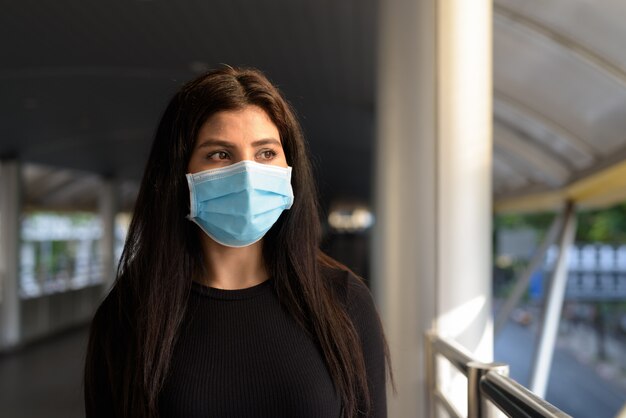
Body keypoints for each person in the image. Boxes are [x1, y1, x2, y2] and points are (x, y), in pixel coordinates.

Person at [84, 66, 392, 418]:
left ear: (291, 169)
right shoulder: (128, 316)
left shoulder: (343, 303)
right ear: (178, 174)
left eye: (265, 154)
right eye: (220, 154)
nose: (248, 174)